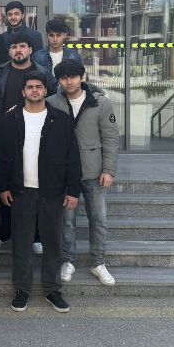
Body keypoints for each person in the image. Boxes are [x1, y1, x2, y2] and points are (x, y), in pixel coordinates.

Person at [0, 71, 81, 314]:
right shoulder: (9, 119)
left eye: (39, 87)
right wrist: (2, 187)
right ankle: (22, 289)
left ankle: (52, 289)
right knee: (21, 244)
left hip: (52, 192)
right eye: (30, 87)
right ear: (23, 91)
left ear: (46, 91)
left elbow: (73, 158)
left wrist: (73, 190)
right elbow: (0, 158)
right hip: (20, 192)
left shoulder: (61, 120)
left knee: (53, 243)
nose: (34, 90)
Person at [48, 59, 119, 287]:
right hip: (64, 175)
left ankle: (98, 262)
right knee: (66, 222)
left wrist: (109, 170)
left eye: (73, 76)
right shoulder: (52, 102)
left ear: (82, 77)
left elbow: (110, 138)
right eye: (64, 78)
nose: (69, 81)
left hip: (94, 172)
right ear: (58, 80)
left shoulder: (100, 103)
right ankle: (68, 260)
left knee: (98, 219)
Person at [0, 33, 47, 250]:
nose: (18, 50)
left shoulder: (43, 72)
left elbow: (53, 99)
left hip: (36, 135)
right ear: (9, 51)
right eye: (14, 46)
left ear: (30, 49)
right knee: (4, 184)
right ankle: (4, 230)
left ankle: (36, 235)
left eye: (22, 46)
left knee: (34, 186)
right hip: (4, 137)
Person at [32, 18, 83, 93]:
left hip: (68, 95)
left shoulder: (74, 56)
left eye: (58, 35)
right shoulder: (37, 56)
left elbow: (79, 80)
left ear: (65, 35)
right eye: (51, 35)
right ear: (47, 36)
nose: (55, 39)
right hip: (45, 95)